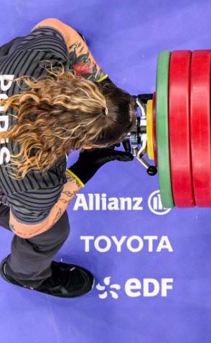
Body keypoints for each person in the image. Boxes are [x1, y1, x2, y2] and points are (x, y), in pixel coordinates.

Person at [0, 18, 134, 298]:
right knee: (51, 231)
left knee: (25, 50)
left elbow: (53, 26)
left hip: (12, 73)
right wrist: (81, 173)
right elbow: (25, 225)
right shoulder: (34, 183)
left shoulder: (40, 57)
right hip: (13, 177)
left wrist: (98, 77)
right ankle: (25, 275)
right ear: (85, 144)